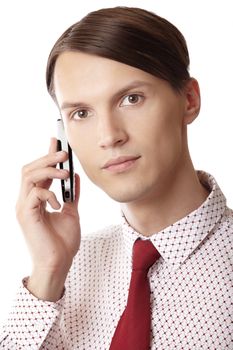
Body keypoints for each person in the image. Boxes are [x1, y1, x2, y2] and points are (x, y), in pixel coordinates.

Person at [0, 6, 232, 349]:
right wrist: (48, 274)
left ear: (189, 99)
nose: (108, 136)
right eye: (81, 113)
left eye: (131, 99)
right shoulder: (68, 270)